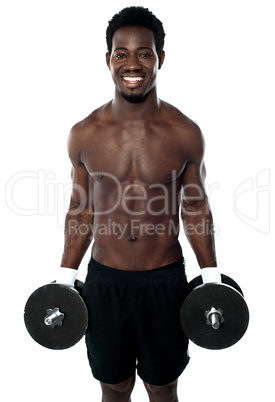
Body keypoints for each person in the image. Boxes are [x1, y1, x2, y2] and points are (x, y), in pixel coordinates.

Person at [56, 6, 221, 402]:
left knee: (162, 387)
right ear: (108, 60)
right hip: (104, 282)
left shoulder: (185, 134)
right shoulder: (84, 134)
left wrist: (212, 275)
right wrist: (65, 276)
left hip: (163, 281)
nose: (133, 63)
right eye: (121, 53)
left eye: (144, 53)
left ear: (160, 58)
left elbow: (195, 209)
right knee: (114, 387)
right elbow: (81, 211)